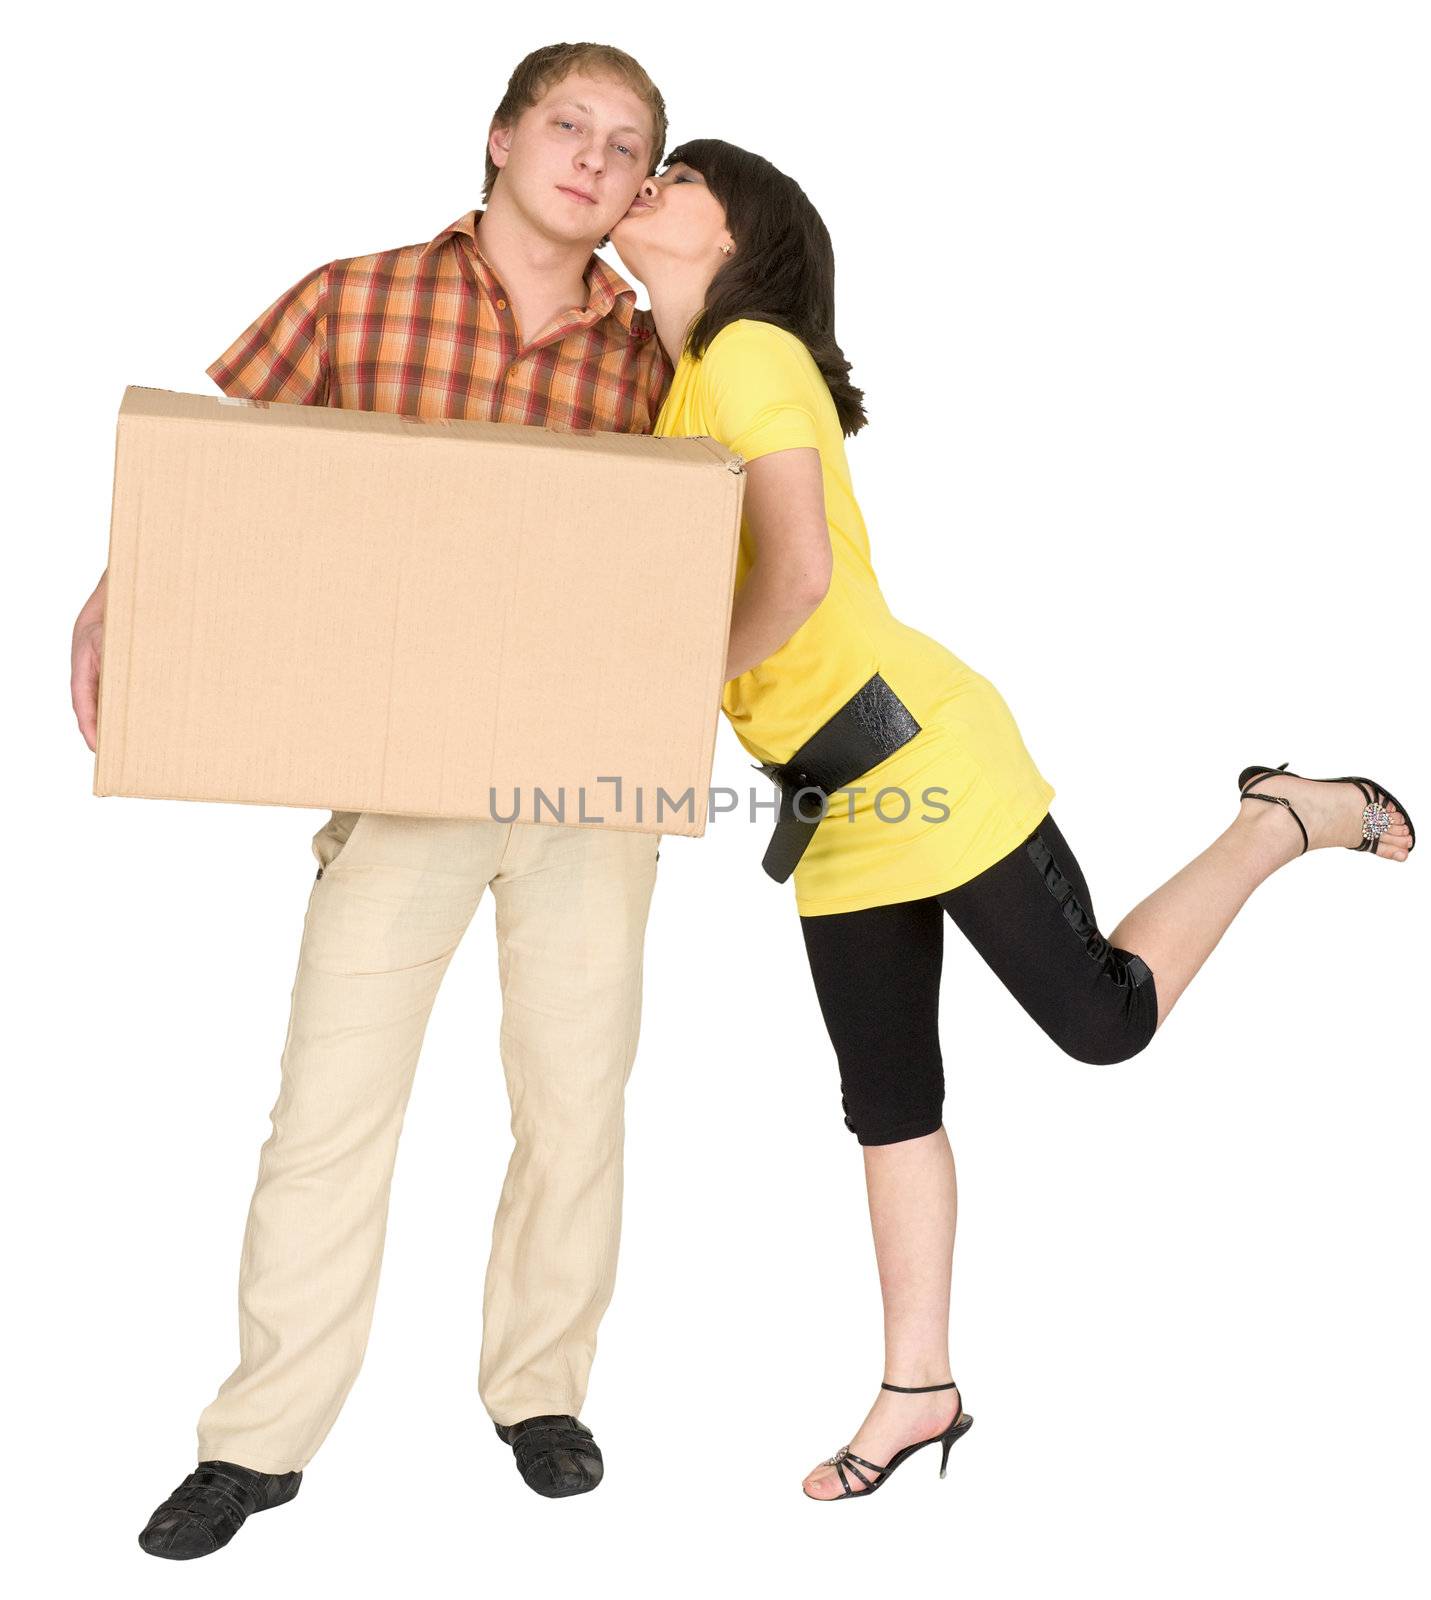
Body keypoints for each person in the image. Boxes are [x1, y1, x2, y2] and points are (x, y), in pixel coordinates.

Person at [608, 139, 1415, 1502]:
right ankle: (918, 1388)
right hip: (834, 803)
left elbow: (796, 577)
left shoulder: (751, 358)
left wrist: (660, 687)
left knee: (1102, 1021)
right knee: (889, 1106)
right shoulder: (676, 389)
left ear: (740, 236)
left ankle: (1282, 819)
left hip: (920, 752)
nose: (649, 178)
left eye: (681, 174)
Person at [70, 43, 676, 1557]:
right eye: (569, 127)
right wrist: (115, 593)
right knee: (328, 1112)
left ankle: (541, 1392)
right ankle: (259, 1444)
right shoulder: (357, 295)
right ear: (500, 136)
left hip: (585, 786)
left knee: (573, 1100)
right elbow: (217, 474)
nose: (593, 161)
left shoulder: (662, 355)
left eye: (628, 147)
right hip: (402, 782)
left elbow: (711, 544)